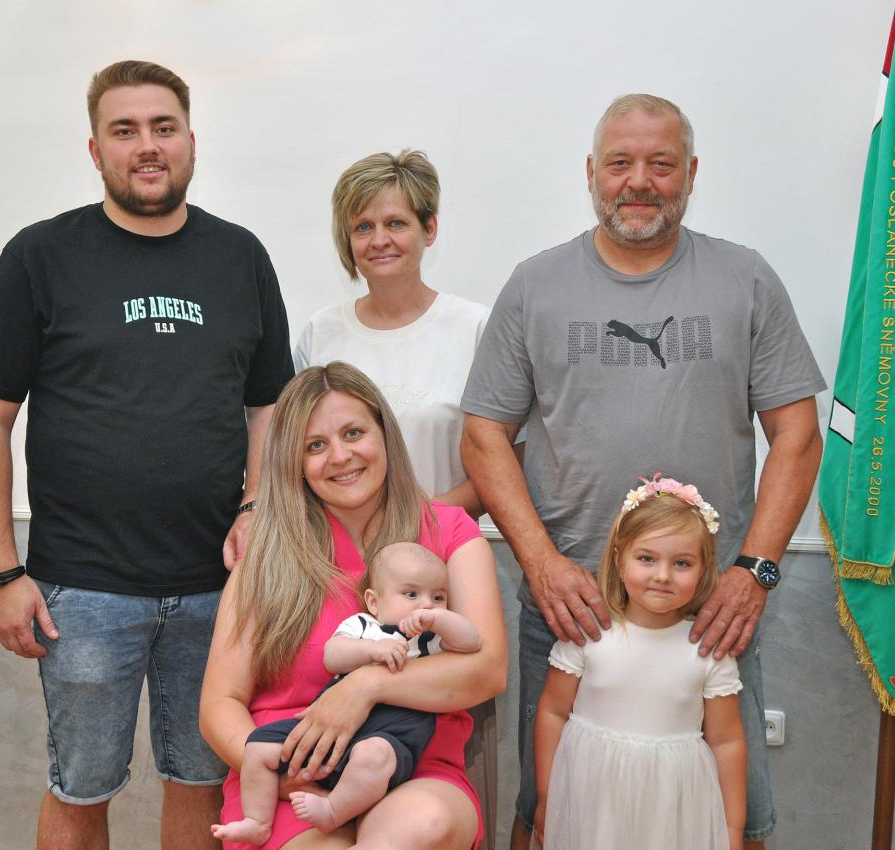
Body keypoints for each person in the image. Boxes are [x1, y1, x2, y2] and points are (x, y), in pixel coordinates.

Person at [460, 93, 826, 850]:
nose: (639, 181)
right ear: (591, 172)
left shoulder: (746, 279)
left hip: (710, 614)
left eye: (661, 164)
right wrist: (541, 563)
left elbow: (796, 434)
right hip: (571, 610)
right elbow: (483, 435)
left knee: (733, 817)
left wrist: (754, 572)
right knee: (550, 813)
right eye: (620, 163)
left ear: (690, 173)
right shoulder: (535, 285)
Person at [0, 59, 293, 850]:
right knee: (81, 788)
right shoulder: (40, 255)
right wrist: (1, 574)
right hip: (82, 589)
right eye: (125, 130)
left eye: (163, 127)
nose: (148, 146)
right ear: (95, 149)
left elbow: (269, 405)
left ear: (191, 141)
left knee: (204, 783)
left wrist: (255, 503)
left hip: (220, 586)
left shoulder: (240, 256)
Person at [200, 362, 507, 850]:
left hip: (413, 762)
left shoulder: (449, 531)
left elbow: (487, 670)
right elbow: (220, 703)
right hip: (291, 773)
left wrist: (364, 687)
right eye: (315, 445)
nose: (340, 456)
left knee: (420, 825)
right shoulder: (265, 554)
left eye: (353, 433)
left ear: (384, 433)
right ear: (293, 462)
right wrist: (277, 775)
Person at [213, 542, 481, 844]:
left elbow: (471, 641)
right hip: (329, 725)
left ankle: (332, 809)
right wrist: (371, 650)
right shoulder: (363, 626)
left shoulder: (430, 639)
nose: (426, 605)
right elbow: (333, 656)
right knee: (258, 746)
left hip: (393, 731)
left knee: (373, 755)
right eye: (411, 594)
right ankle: (257, 821)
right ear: (374, 602)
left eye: (438, 597)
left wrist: (441, 620)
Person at [534, 475, 746, 850]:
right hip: (592, 798)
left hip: (671, 806)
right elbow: (552, 712)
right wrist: (548, 797)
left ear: (703, 570)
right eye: (647, 558)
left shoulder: (709, 649)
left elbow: (727, 741)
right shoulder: (588, 634)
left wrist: (731, 829)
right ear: (619, 560)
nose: (662, 576)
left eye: (682, 563)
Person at [293, 150, 491, 516]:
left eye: (396, 223)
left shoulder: (475, 328)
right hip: (340, 547)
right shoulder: (320, 333)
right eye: (363, 227)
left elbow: (505, 465)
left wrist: (416, 525)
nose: (379, 239)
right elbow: (297, 458)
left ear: (429, 228)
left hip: (444, 544)